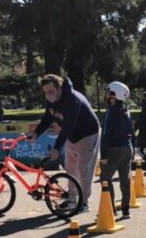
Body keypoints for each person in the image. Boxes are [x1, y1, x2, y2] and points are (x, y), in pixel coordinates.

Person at [28, 74, 100, 213]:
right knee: (71, 168)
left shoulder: (72, 100)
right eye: (45, 92)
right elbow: (48, 117)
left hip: (88, 134)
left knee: (85, 169)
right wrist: (37, 132)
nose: (48, 96)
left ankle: (84, 203)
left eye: (50, 92)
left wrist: (56, 148)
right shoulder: (52, 99)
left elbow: (68, 126)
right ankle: (72, 199)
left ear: (59, 88)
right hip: (72, 135)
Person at [99, 81, 135, 219]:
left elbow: (106, 133)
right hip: (128, 148)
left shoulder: (111, 112)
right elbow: (132, 132)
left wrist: (103, 155)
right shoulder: (127, 111)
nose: (107, 95)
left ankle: (111, 209)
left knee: (105, 179)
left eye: (109, 92)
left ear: (115, 94)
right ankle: (126, 209)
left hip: (114, 149)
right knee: (125, 179)